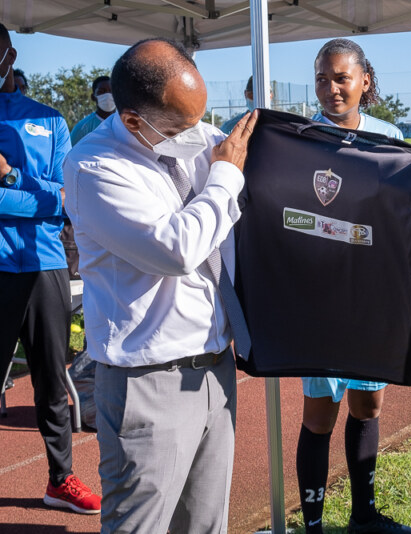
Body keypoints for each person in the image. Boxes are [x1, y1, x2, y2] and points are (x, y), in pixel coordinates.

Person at [63, 38, 257, 534]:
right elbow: (177, 249)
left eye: (200, 118)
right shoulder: (95, 167)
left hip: (213, 368)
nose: (199, 134)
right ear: (132, 121)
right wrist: (224, 177)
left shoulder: (189, 131)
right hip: (148, 381)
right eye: (180, 127)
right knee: (140, 526)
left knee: (206, 524)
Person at [0, 19, 101, 534]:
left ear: (9, 57)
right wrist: (46, 198)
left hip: (46, 263)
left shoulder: (49, 118)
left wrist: (9, 174)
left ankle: (60, 480)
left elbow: (68, 195)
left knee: (52, 381)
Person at [295, 38, 411, 534]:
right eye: (322, 79)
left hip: (373, 294)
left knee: (368, 403)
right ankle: (313, 525)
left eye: (341, 78)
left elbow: (400, 209)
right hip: (321, 296)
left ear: (364, 81)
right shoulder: (301, 138)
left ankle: (364, 516)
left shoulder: (389, 136)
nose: (331, 88)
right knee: (320, 413)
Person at [69, 75, 115, 145]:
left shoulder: (125, 123)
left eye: (111, 91)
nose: (107, 95)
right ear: (93, 97)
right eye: (101, 92)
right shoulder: (82, 128)